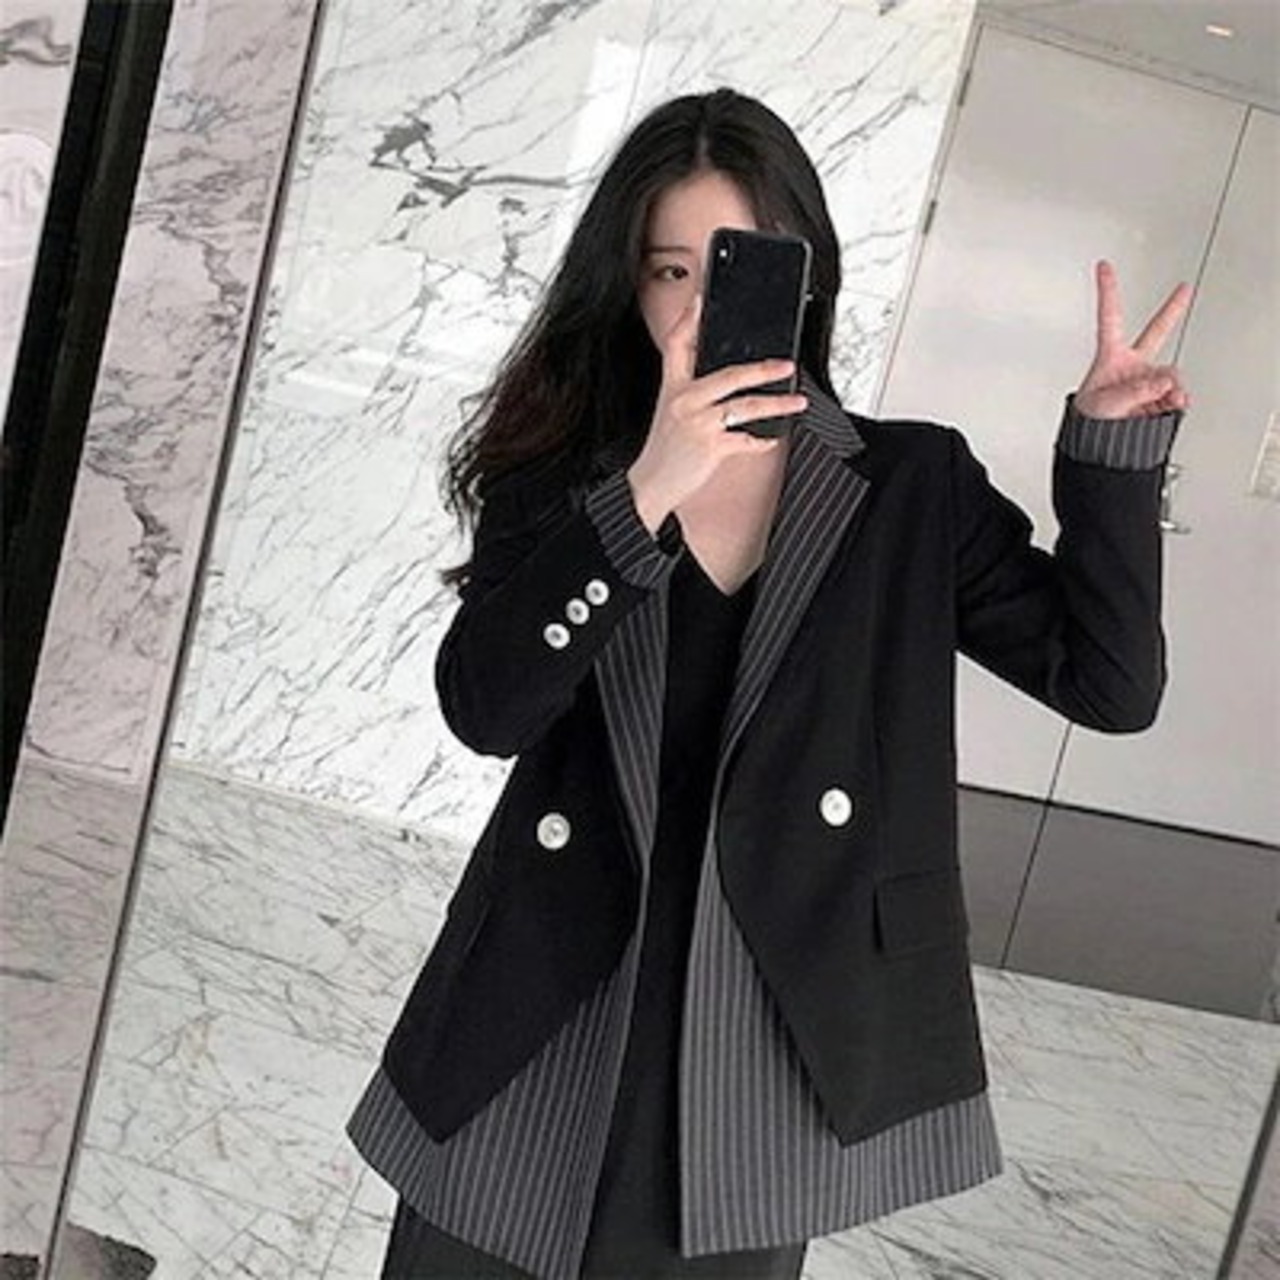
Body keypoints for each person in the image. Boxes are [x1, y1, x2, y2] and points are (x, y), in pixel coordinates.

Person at [346, 88, 1191, 1279]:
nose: (699, 307)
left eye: (737, 264)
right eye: (668, 270)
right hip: (536, 1016)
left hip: (763, 1039)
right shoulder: (563, 479)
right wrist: (645, 488)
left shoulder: (906, 486)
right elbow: (486, 709)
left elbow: (1107, 684)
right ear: (625, 286)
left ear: (803, 276)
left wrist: (1108, 451)